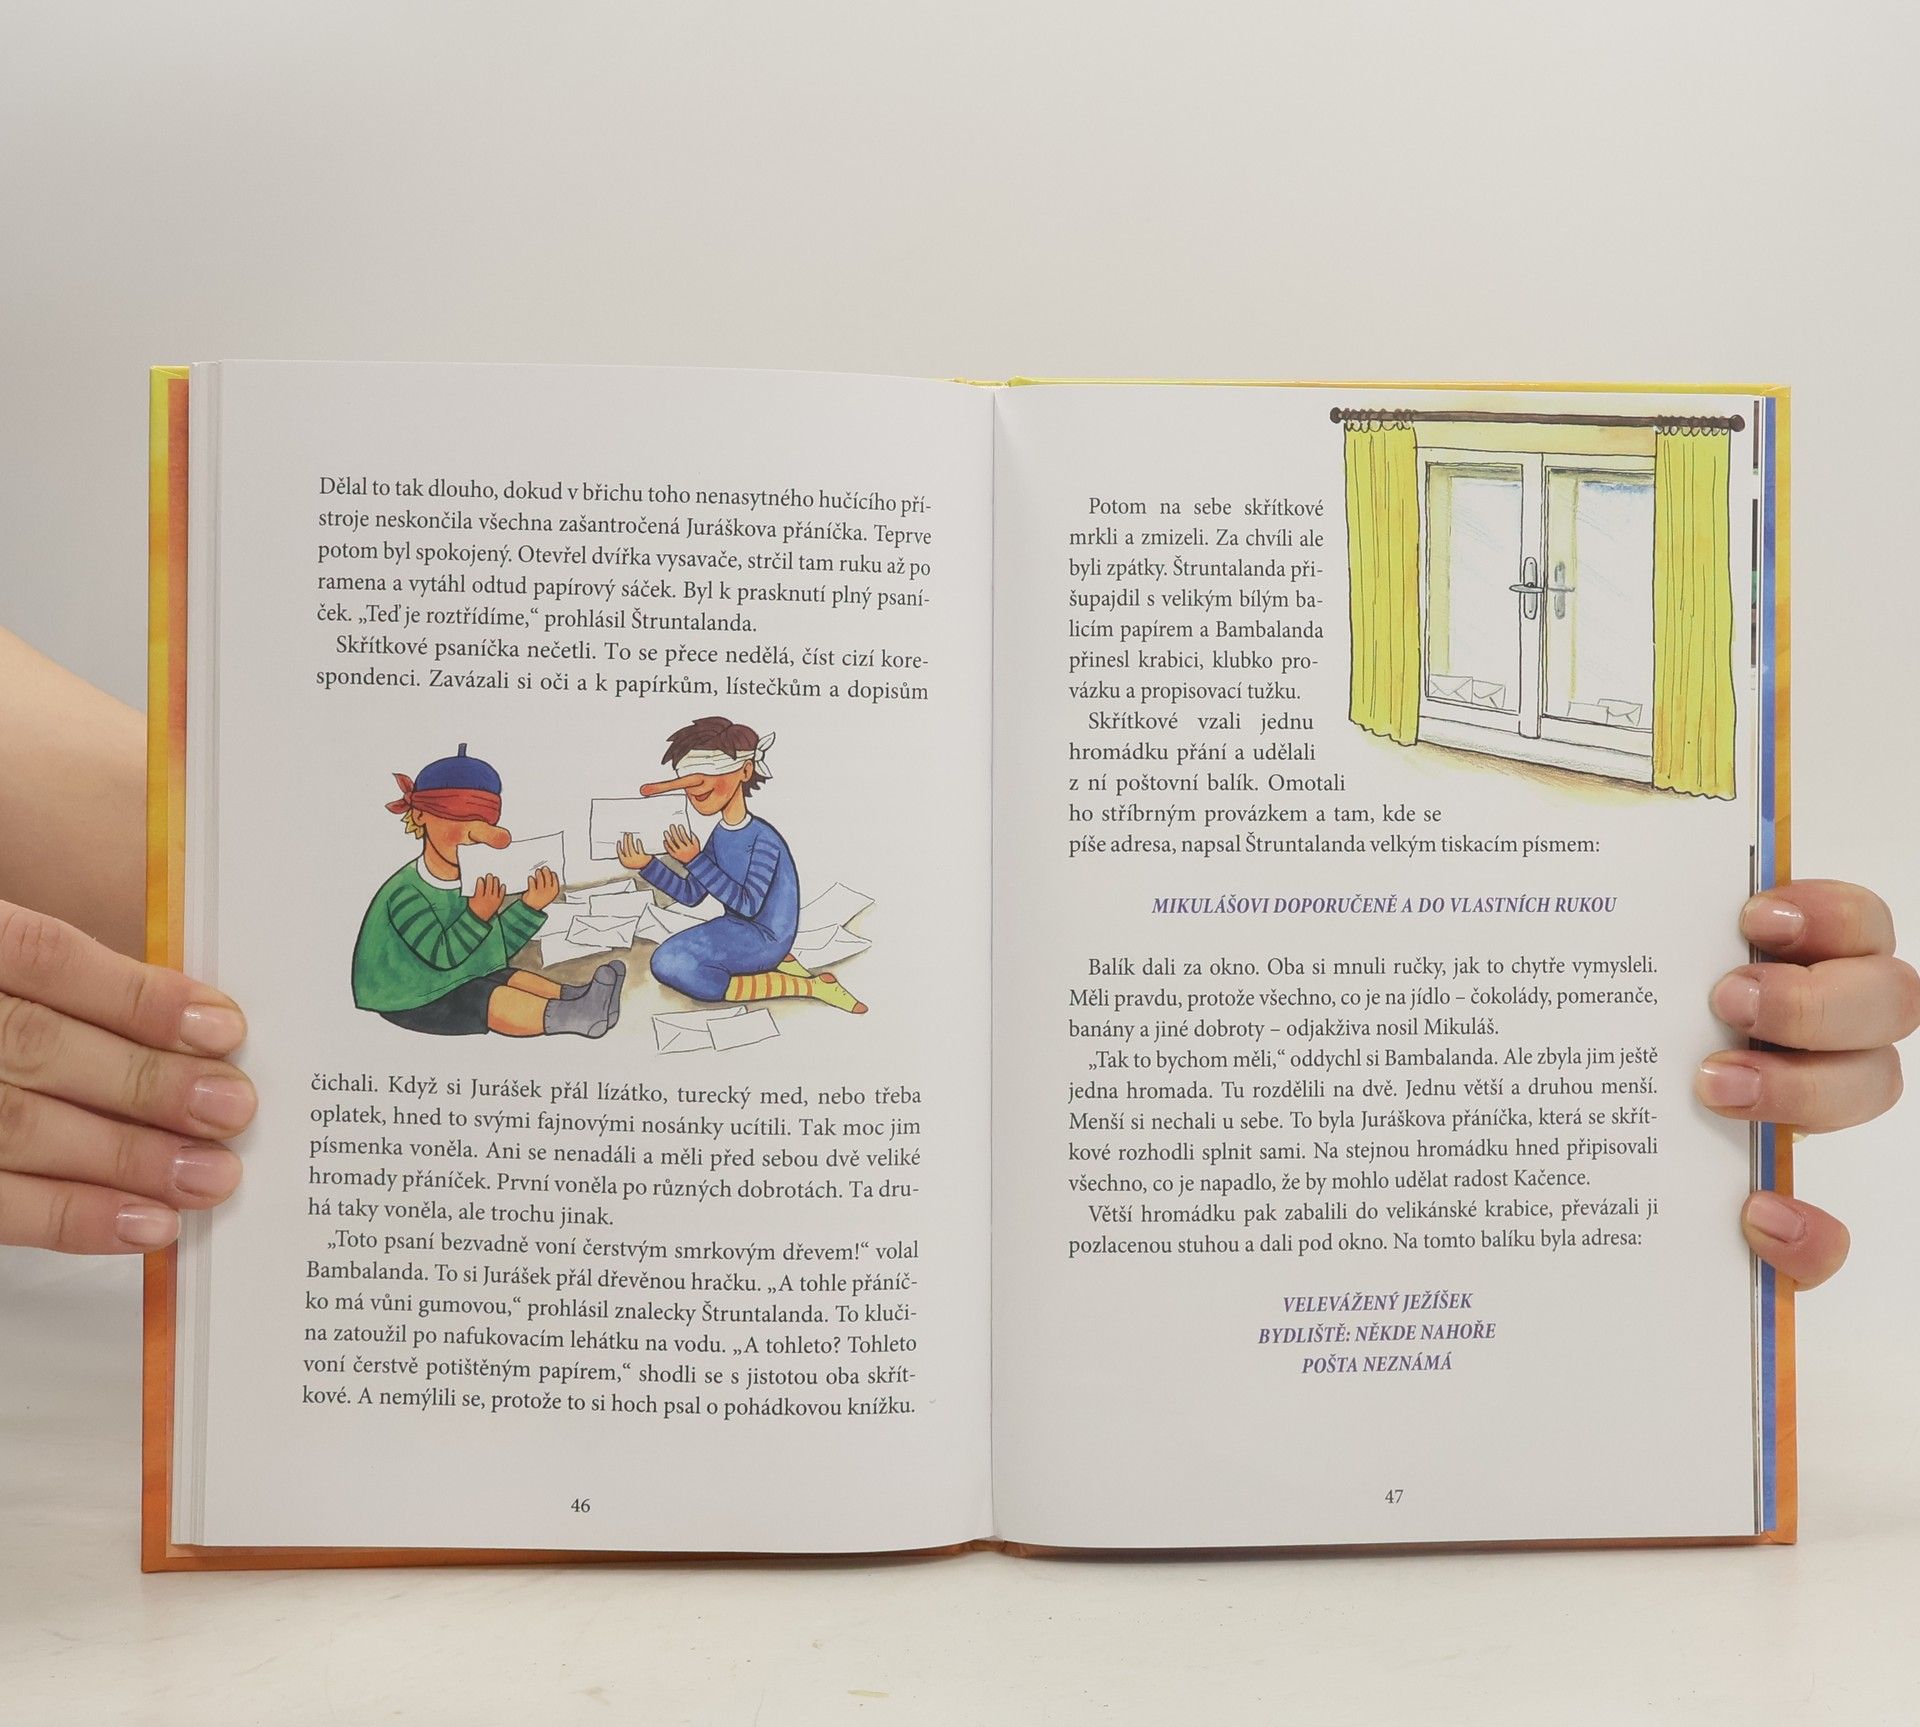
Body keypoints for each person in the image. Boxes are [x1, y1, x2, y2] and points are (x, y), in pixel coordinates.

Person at [0, 624, 1910, 1262]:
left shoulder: (738, 840)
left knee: (669, 967)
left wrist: (1618, 987)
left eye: (712, 779)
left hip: (682, 946)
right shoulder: (614, 850)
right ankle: (597, 1006)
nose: (698, 793)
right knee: (620, 974)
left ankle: (634, 998)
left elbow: (720, 899)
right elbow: (408, 935)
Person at [350, 744, 623, 1038]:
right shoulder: (405, 892)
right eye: (459, 818)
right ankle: (573, 1016)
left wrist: (529, 906)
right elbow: (442, 955)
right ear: (419, 816)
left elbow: (495, 948)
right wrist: (477, 916)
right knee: (483, 995)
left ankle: (575, 996)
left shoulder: (472, 882)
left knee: (505, 975)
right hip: (410, 995)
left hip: (457, 974)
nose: (476, 835)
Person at [618, 715, 866, 1014]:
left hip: (768, 938)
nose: (693, 786)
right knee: (664, 959)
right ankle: (774, 968)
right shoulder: (720, 834)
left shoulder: (764, 839)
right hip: (735, 929)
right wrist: (647, 865)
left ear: (745, 770)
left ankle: (811, 986)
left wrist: (695, 860)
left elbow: (748, 906)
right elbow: (691, 895)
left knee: (674, 965)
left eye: (709, 770)